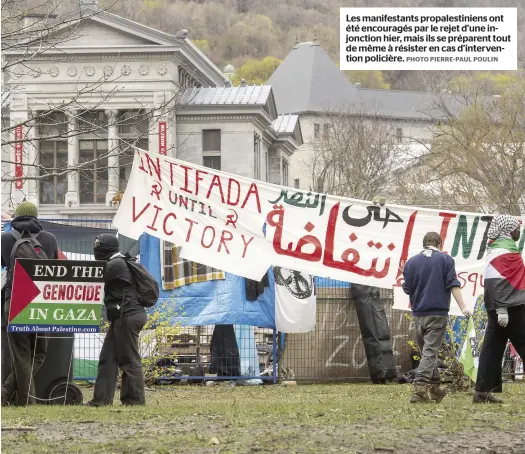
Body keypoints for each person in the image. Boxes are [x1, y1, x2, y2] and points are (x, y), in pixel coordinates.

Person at [402, 232, 472, 404]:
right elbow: (453, 284)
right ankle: (419, 390)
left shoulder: (411, 262)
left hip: (418, 315)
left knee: (427, 351)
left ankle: (434, 389)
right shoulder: (445, 260)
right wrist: (463, 306)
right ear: (440, 244)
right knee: (430, 352)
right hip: (437, 313)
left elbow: (407, 289)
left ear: (424, 243)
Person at [1, 201, 58, 406]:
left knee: (20, 354)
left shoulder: (5, 239)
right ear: (36, 216)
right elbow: (56, 269)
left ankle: (11, 395)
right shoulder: (49, 239)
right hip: (43, 302)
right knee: (39, 354)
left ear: (16, 216)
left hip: (15, 300)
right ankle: (21, 399)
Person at [86, 234, 147, 406]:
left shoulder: (115, 265)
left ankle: (134, 401)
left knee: (129, 360)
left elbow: (91, 279)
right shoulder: (119, 262)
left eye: (98, 248)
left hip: (127, 316)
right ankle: (101, 400)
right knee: (108, 358)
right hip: (124, 316)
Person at [474, 214, 525, 404]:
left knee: (492, 348)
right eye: (516, 228)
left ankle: (482, 391)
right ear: (508, 230)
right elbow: (497, 280)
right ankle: (481, 391)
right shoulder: (504, 249)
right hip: (509, 306)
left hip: (499, 304)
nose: (519, 232)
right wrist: (502, 307)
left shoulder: (496, 247)